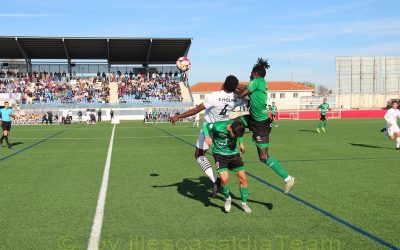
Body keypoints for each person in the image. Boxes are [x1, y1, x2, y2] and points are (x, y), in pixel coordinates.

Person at [170, 75, 243, 196]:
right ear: (234, 88)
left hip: (209, 129)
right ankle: (222, 176)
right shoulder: (236, 98)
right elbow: (248, 93)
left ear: (224, 84)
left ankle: (216, 180)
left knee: (199, 155)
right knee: (221, 155)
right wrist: (237, 87)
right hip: (223, 130)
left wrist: (178, 116)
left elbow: (195, 110)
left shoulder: (215, 96)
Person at [235, 58, 296, 194]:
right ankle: (235, 148)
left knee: (263, 157)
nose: (250, 75)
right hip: (253, 119)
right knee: (234, 122)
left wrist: (231, 88)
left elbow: (242, 94)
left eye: (251, 73)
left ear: (256, 73)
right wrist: (233, 84)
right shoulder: (260, 82)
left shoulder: (256, 81)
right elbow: (244, 88)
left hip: (260, 124)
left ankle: (288, 178)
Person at [203, 120, 251, 213]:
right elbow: (205, 126)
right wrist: (207, 136)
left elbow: (239, 134)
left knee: (243, 178)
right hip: (220, 155)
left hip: (234, 154)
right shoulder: (218, 126)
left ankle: (244, 203)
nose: (236, 137)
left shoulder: (237, 125)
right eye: (235, 136)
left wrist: (241, 142)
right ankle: (228, 199)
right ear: (230, 129)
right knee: (224, 179)